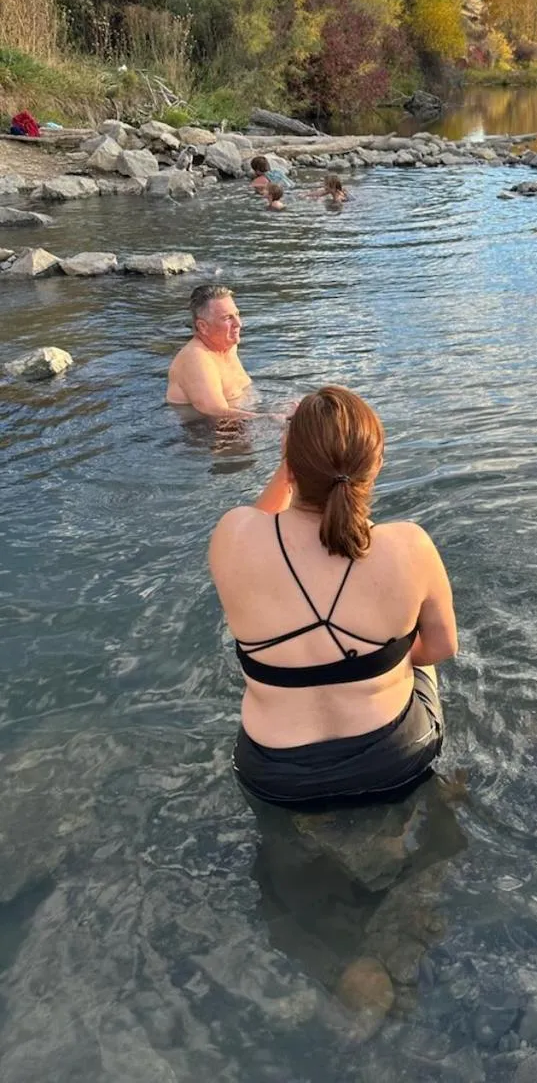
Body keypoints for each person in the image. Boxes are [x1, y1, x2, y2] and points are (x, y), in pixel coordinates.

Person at [208, 386, 457, 807]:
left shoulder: (233, 536)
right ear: (376, 464)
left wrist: (290, 464)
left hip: (274, 776)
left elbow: (262, 518)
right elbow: (442, 648)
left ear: (289, 463)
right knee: (416, 654)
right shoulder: (410, 546)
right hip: (394, 762)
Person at [166, 283, 254, 417]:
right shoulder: (196, 359)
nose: (238, 324)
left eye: (237, 314)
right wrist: (273, 420)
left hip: (242, 420)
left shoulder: (228, 347)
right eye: (227, 318)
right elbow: (216, 413)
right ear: (203, 327)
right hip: (207, 431)